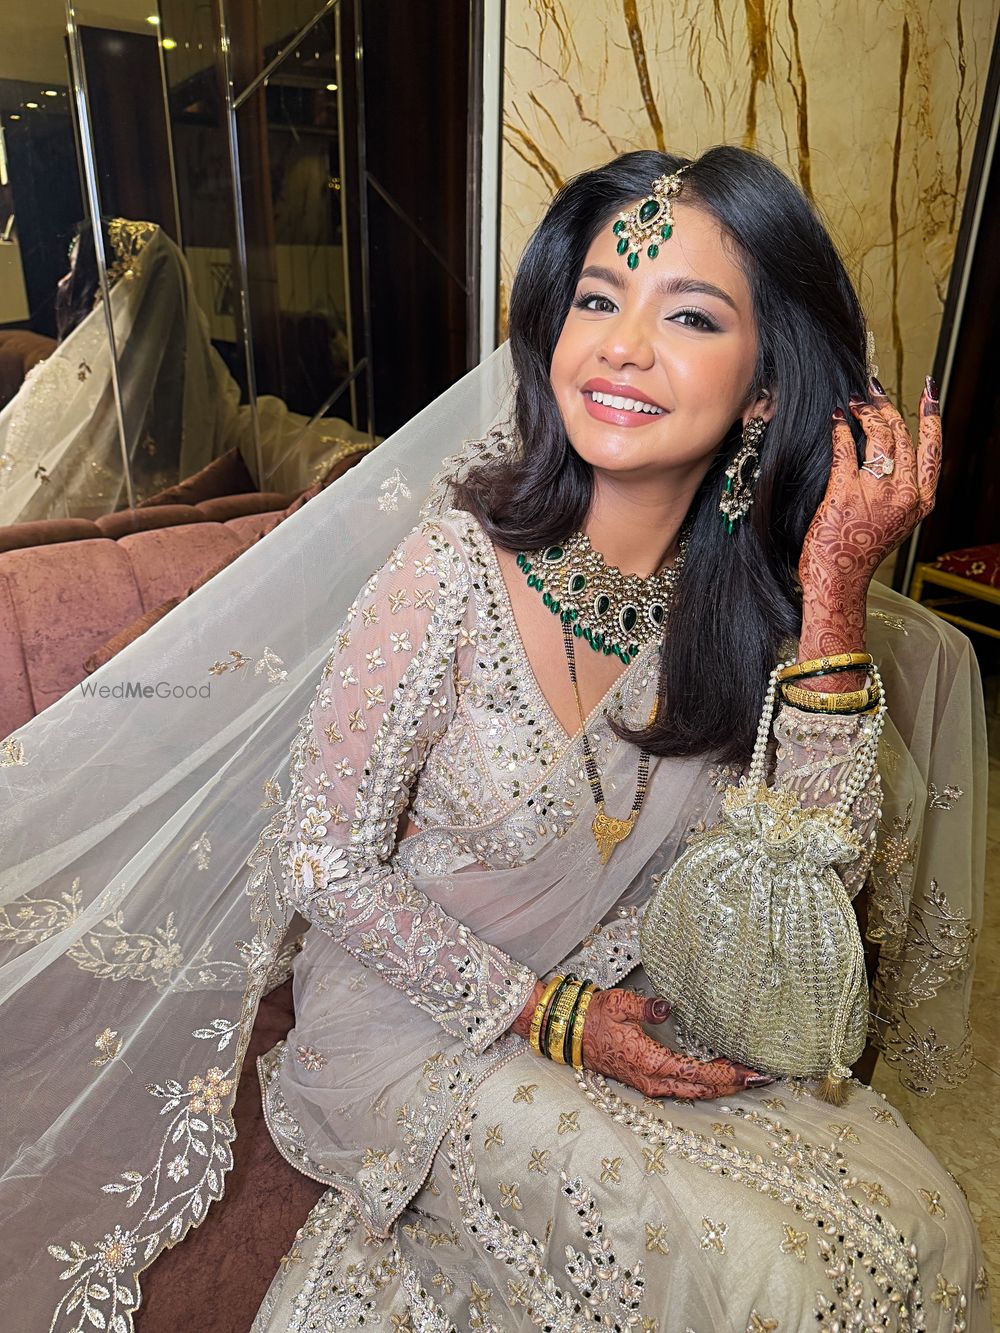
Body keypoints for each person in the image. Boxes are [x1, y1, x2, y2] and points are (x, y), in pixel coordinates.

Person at [0, 149, 988, 1331]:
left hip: (637, 992)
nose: (623, 347)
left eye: (688, 315)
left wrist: (830, 593)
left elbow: (807, 894)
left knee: (923, 1218)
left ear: (764, 387)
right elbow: (320, 856)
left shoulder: (748, 610)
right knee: (744, 1270)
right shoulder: (452, 571)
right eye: (597, 300)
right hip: (414, 1016)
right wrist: (545, 1012)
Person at [0, 218, 371, 522]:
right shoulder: (53, 389)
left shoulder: (222, 424)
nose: (61, 285)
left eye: (72, 272)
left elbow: (348, 460)